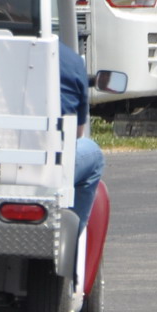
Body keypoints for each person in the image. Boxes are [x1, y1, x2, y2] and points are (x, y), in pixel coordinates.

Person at [58, 40, 104, 227]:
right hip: (46, 166)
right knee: (94, 153)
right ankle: (72, 233)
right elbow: (77, 133)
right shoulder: (70, 59)